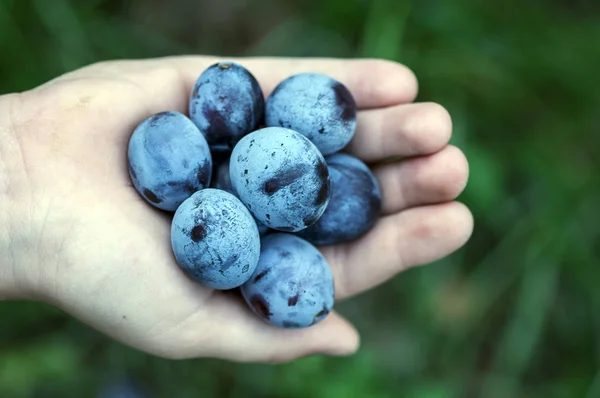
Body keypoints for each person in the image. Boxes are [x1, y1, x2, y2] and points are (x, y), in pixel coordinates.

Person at [0, 56, 473, 363]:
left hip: (249, 203)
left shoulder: (221, 192)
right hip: (240, 203)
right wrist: (22, 172)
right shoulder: (211, 195)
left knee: (346, 185)